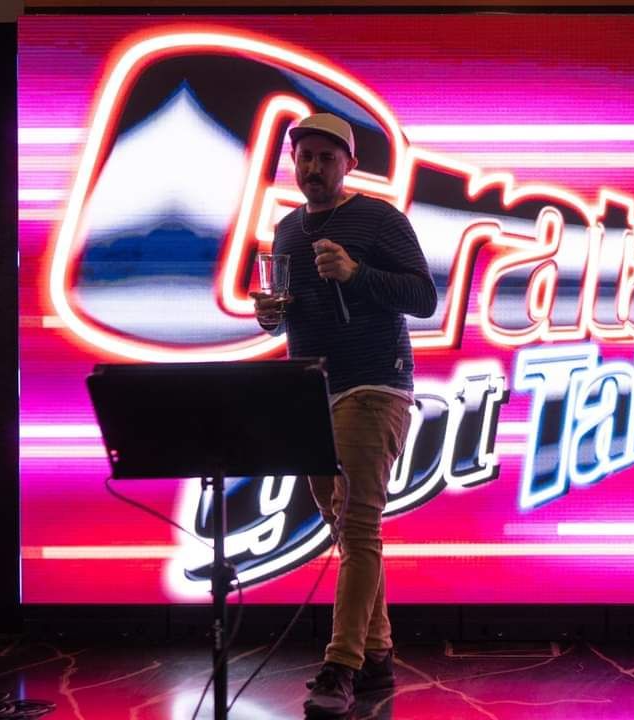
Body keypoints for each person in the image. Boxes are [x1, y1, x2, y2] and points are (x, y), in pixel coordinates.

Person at [252, 112, 437, 717]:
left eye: (325, 158)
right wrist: (269, 315)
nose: (312, 167)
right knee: (345, 527)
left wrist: (357, 274)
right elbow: (281, 315)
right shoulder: (284, 232)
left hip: (376, 383)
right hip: (311, 389)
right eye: (303, 157)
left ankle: (341, 666)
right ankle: (378, 653)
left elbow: (424, 298)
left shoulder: (380, 220)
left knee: (358, 526)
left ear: (348, 164)